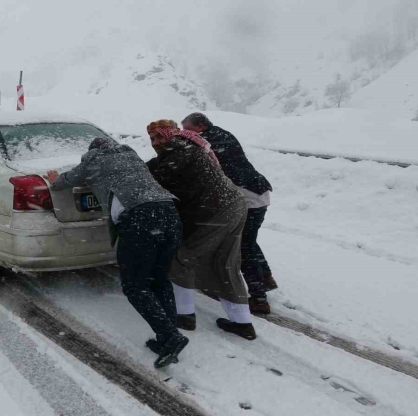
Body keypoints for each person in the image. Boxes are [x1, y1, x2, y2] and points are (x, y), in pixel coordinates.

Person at [46, 137, 188, 367]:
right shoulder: (132, 156)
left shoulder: (93, 160)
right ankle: (166, 336)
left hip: (139, 218)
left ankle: (171, 336)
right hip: (169, 212)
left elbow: (65, 181)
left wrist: (54, 179)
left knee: (134, 285)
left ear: (92, 150)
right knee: (160, 279)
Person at [145, 120, 256, 340]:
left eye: (159, 136)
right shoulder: (187, 149)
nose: (156, 142)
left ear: (172, 134)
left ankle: (184, 315)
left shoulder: (178, 152)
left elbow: (160, 179)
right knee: (225, 263)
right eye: (152, 139)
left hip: (216, 211)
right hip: (233, 204)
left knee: (181, 258)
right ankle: (242, 323)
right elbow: (157, 168)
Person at [182, 113, 277, 314]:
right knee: (249, 240)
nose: (184, 132)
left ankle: (259, 298)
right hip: (258, 189)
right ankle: (266, 277)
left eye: (187, 128)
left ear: (199, 126)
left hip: (247, 195)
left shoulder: (207, 142)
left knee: (243, 246)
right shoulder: (221, 134)